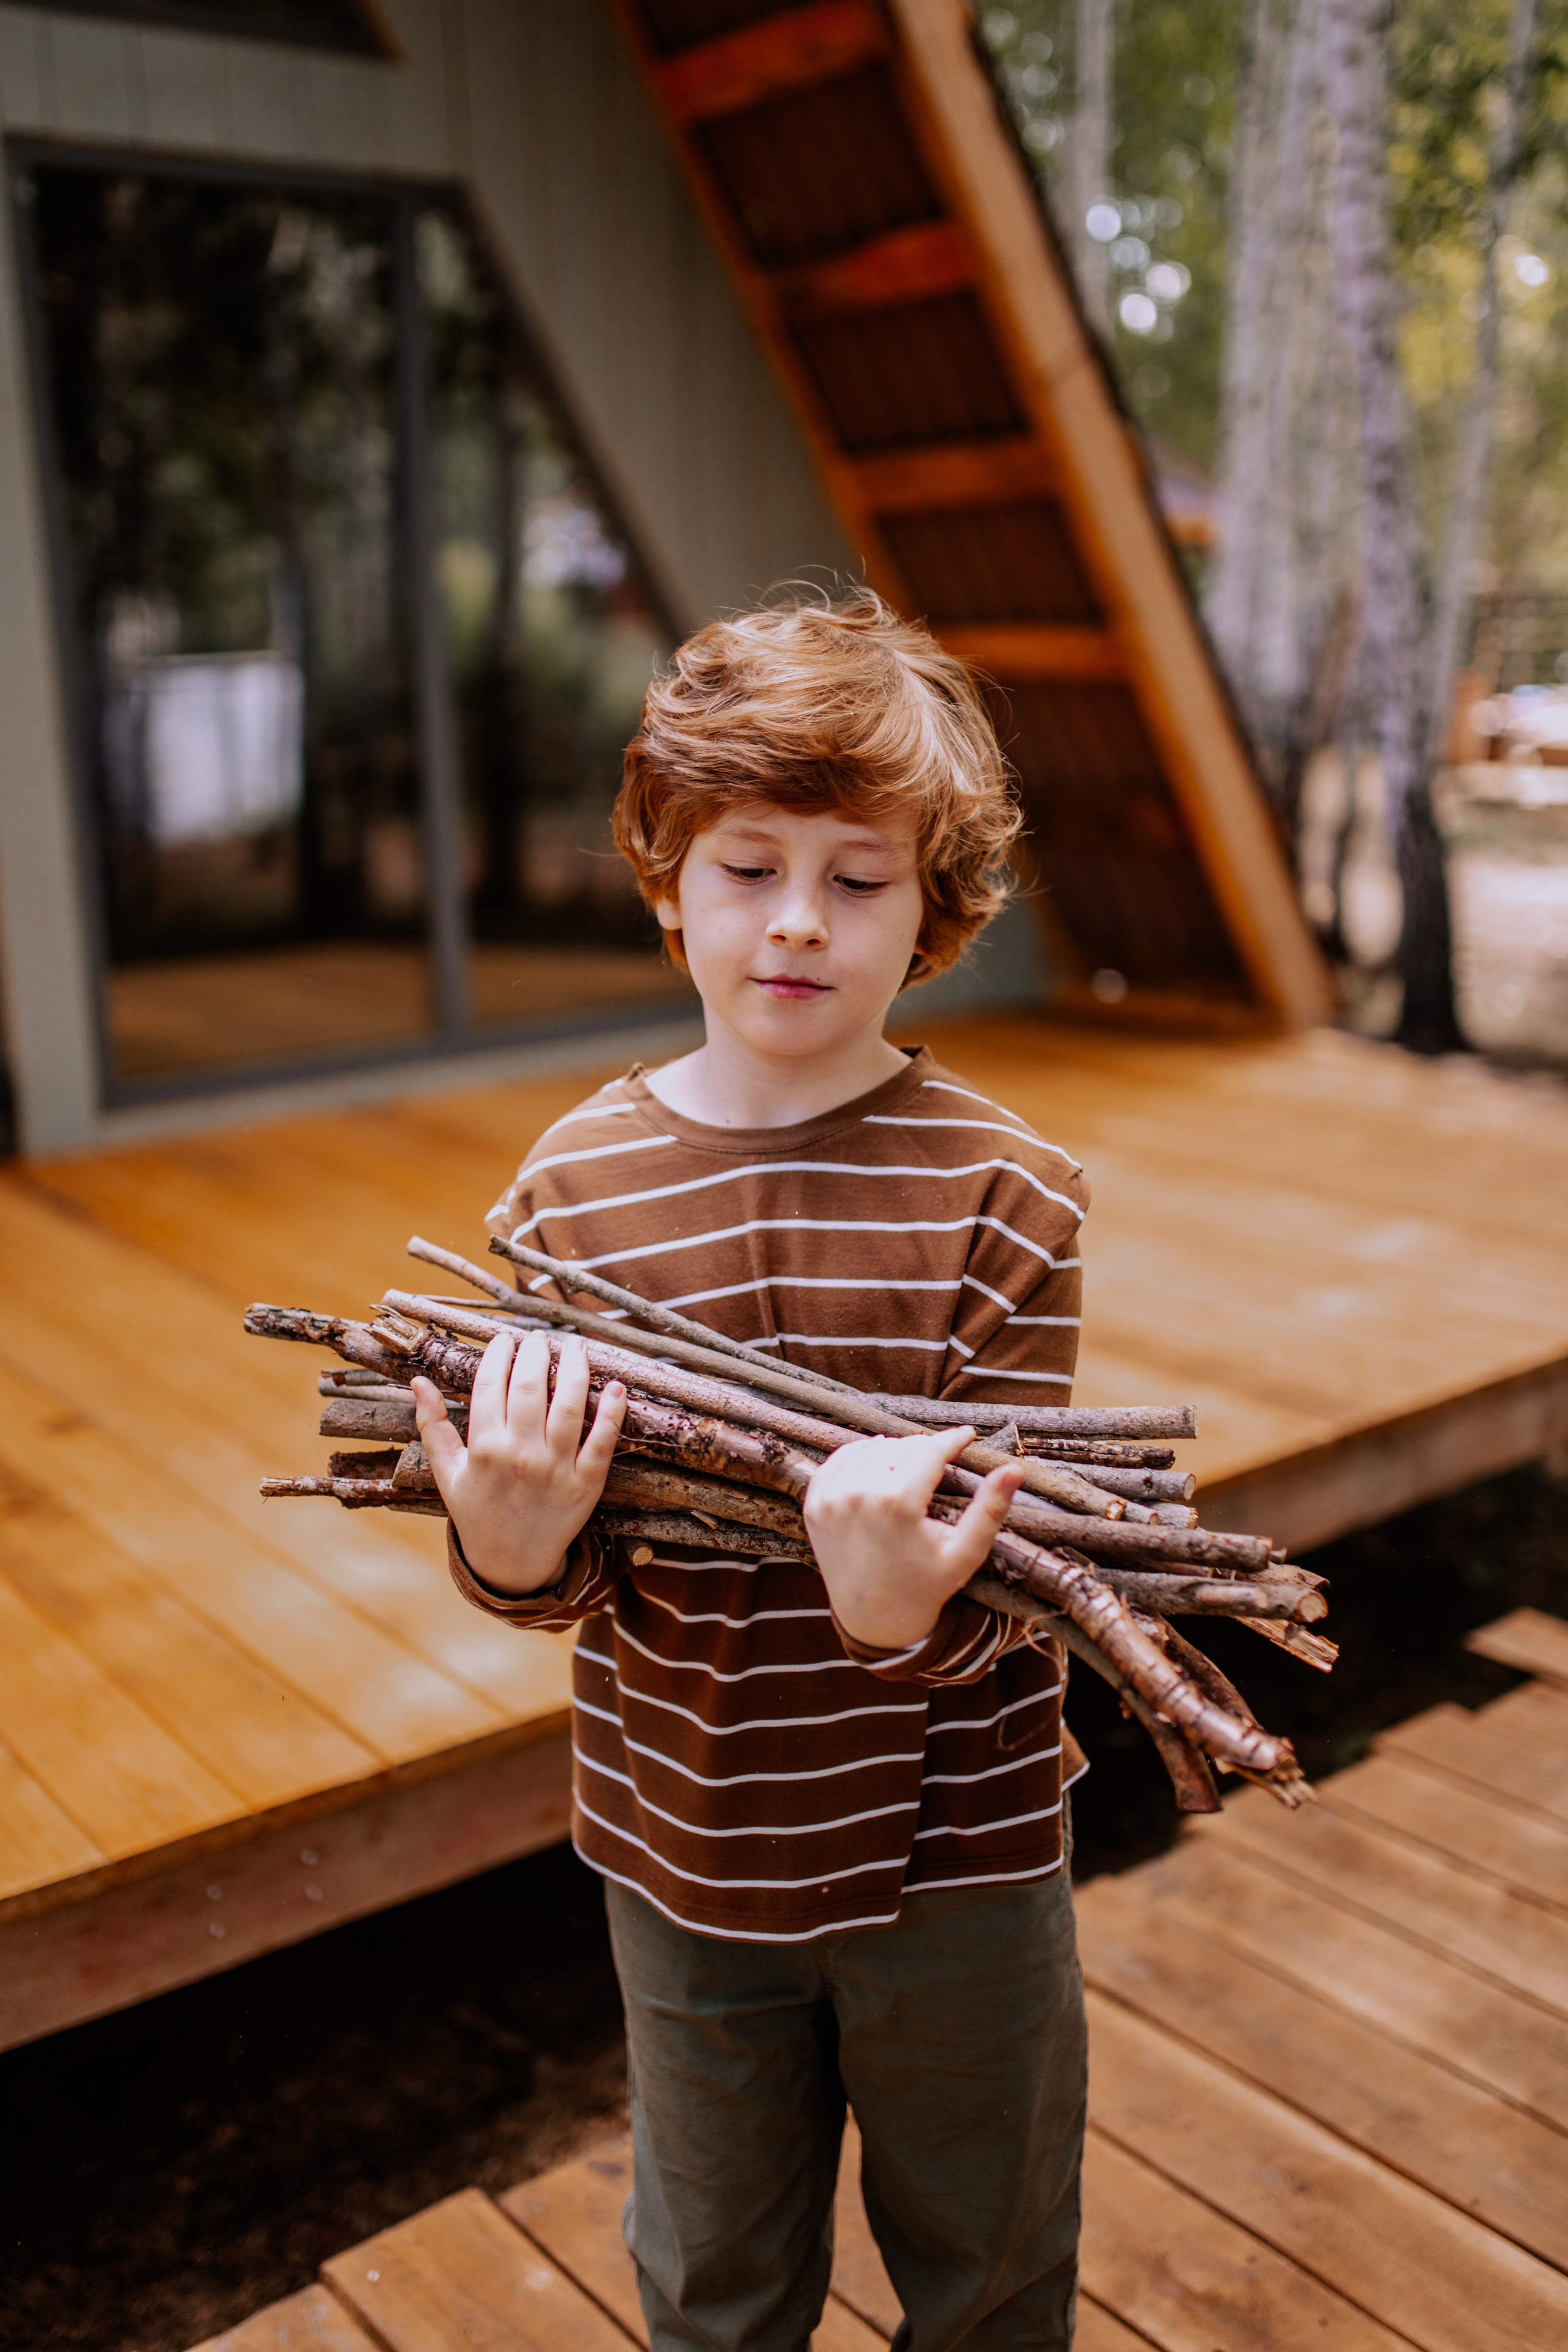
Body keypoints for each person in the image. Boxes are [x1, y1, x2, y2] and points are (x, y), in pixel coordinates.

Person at [417, 588, 1090, 2352]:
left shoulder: (1006, 1191)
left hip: (966, 1848)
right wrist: (504, 1548)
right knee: (715, 2281)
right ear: (665, 879)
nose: (798, 922)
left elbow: (1034, 1583)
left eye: (859, 880)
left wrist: (906, 1621)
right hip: (689, 1844)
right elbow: (561, 1556)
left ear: (930, 910)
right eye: (746, 866)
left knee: (994, 2263)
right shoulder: (568, 1201)